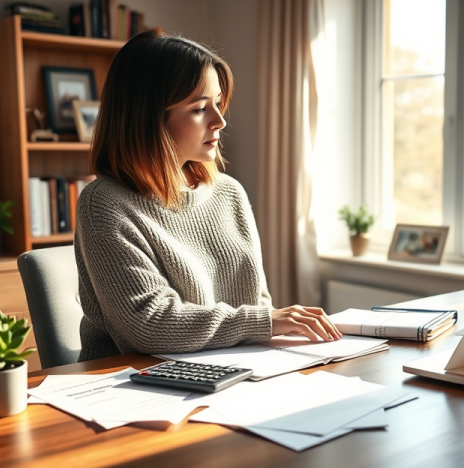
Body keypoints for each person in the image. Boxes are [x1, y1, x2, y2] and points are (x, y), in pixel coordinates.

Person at [75, 31, 341, 362]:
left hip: (234, 365)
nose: (220, 120)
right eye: (200, 108)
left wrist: (270, 330)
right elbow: (149, 325)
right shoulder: (104, 204)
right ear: (148, 118)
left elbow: (256, 302)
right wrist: (262, 322)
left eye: (218, 103)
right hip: (132, 380)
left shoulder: (229, 194)